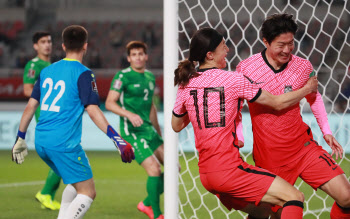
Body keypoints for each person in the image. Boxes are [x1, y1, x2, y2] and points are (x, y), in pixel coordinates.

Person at [171, 27, 319, 219]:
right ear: (210, 54)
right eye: (223, 46)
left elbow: (176, 125)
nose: (228, 50)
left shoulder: (186, 83)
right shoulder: (234, 80)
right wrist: (307, 88)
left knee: (263, 211)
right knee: (294, 197)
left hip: (207, 175)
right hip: (229, 170)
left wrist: (200, 106)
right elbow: (277, 102)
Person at [12, 25, 135, 219]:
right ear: (86, 46)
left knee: (74, 182)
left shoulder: (47, 71)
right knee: (88, 191)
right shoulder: (84, 73)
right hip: (63, 143)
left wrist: (20, 138)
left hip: (41, 141)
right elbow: (93, 110)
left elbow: (30, 107)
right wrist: (118, 140)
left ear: (62, 46)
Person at [236, 13, 350, 219]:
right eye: (281, 44)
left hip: (303, 148)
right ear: (265, 42)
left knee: (347, 197)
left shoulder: (303, 66)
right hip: (269, 157)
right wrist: (237, 137)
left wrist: (326, 131)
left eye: (291, 43)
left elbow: (314, 98)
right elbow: (235, 106)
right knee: (269, 214)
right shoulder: (246, 69)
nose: (287, 50)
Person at [106, 41, 164, 219]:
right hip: (130, 131)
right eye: (134, 54)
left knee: (174, 168)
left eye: (141, 54)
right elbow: (109, 102)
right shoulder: (122, 76)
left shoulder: (150, 77)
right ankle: (156, 213)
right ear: (129, 58)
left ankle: (146, 203)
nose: (138, 57)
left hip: (148, 130)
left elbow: (151, 107)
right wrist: (129, 115)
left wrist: (158, 132)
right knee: (154, 169)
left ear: (146, 56)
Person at [22, 31, 62, 210]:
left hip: (55, 114)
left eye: (49, 41)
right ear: (35, 46)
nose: (48, 45)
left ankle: (48, 195)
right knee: (61, 155)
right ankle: (46, 193)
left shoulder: (52, 65)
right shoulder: (34, 65)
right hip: (45, 115)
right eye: (43, 42)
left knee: (61, 156)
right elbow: (26, 89)